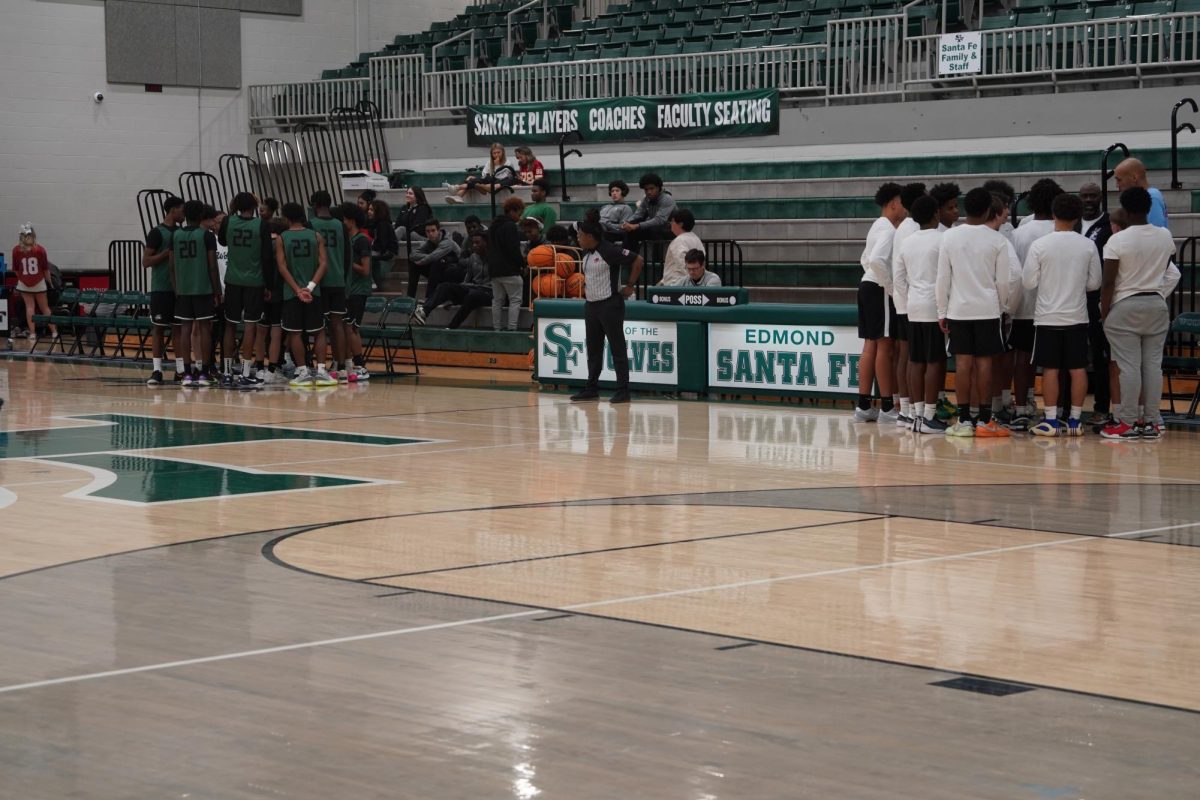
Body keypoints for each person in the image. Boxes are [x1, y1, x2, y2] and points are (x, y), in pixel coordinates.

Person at [935, 187, 1016, 438]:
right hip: (987, 310)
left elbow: (942, 278)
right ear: (988, 210)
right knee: (985, 364)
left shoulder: (949, 237)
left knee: (962, 364)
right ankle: (984, 419)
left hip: (958, 309)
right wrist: (1002, 306)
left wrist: (941, 310)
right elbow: (1005, 281)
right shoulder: (997, 240)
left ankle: (963, 419)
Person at [1022, 193, 1102, 437]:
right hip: (1077, 316)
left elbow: (1028, 282)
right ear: (1078, 216)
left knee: (1051, 370)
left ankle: (1051, 420)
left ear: (1054, 215)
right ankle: (1075, 421)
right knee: (1077, 369)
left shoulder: (1040, 245)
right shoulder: (1087, 244)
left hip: (1048, 317)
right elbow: (1095, 283)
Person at [1100, 187, 1177, 440]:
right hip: (1156, 303)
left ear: (1126, 209)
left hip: (1125, 305)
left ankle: (1128, 422)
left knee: (1129, 366)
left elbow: (1109, 283)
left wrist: (1104, 313)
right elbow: (1165, 269)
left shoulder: (1117, 240)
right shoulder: (1164, 235)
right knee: (1153, 366)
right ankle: (1153, 422)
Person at [1008, 178, 1063, 430]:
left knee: (1023, 358)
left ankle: (1020, 408)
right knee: (1056, 361)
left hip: (1025, 305)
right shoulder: (1062, 231)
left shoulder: (1018, 233)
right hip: (1055, 306)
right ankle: (1057, 409)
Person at [569, 220, 644, 404]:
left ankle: (623, 390)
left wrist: (630, 286)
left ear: (589, 236)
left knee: (617, 348)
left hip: (610, 305)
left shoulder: (609, 250)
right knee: (593, 350)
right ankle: (591, 388)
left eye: (580, 235)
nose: (577, 238)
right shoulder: (586, 252)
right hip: (591, 305)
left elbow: (638, 260)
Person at [894, 196, 948, 434]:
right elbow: (948, 276)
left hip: (913, 307)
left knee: (916, 360)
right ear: (936, 214)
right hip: (936, 307)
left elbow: (898, 279)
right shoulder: (943, 239)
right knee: (935, 360)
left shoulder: (907, 242)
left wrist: (908, 301)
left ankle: (915, 416)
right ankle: (929, 415)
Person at [854, 182, 904, 423]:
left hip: (866, 285)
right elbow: (875, 260)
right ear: (894, 203)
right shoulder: (889, 230)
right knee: (885, 346)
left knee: (870, 346)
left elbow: (865, 259)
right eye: (903, 204)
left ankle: (864, 406)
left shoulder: (876, 226)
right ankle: (886, 407)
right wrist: (891, 287)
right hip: (878, 288)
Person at [217, 192, 273, 388]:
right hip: (254, 282)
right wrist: (269, 285)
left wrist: (231, 213)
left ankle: (226, 372)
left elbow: (222, 242)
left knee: (230, 326)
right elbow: (267, 257)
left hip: (232, 280)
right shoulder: (262, 225)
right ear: (255, 206)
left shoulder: (228, 222)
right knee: (250, 326)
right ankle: (246, 373)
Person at [275, 202, 334, 387]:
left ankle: (302, 371)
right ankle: (322, 371)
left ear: (286, 217)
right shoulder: (316, 236)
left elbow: (282, 267)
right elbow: (324, 264)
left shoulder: (282, 238)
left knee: (294, 333)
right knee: (318, 332)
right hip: (313, 292)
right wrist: (310, 286)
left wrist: (297, 289)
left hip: (292, 293)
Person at [169, 200, 221, 387]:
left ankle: (187, 372)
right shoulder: (206, 236)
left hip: (183, 290)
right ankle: (204, 371)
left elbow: (171, 267)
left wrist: (176, 289)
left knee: (185, 329)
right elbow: (212, 266)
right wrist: (217, 290)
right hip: (203, 288)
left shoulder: (175, 235)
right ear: (200, 215)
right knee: (204, 329)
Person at [890, 182, 926, 426]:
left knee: (905, 355)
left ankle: (905, 408)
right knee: (912, 356)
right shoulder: (914, 228)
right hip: (911, 301)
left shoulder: (903, 226)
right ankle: (911, 408)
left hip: (903, 300)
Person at [1079, 181, 1114, 425]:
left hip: (1098, 297)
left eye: (1093, 196)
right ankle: (1067, 408)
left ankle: (1102, 407)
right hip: (1072, 298)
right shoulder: (1071, 223)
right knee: (1073, 356)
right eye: (1085, 196)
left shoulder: (1109, 225)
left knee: (1101, 356)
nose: (1089, 200)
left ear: (1100, 197)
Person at [143, 197, 185, 385]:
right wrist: (166, 254)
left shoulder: (182, 232)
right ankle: (157, 370)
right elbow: (146, 261)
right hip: (161, 288)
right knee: (158, 329)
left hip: (179, 289)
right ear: (172, 210)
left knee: (178, 330)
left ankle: (180, 370)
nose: (183, 213)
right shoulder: (156, 232)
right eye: (181, 210)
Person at [309, 191, 350, 382]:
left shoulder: (311, 225)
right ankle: (341, 367)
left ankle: (321, 368)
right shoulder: (341, 225)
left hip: (319, 282)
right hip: (338, 281)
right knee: (338, 324)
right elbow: (347, 256)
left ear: (315, 205)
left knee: (319, 327)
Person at [414, 231, 493, 329]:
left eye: (477, 243)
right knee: (445, 286)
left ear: (486, 243)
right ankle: (424, 311)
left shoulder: (495, 258)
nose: (474, 245)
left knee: (472, 295)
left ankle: (452, 327)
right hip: (472, 288)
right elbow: (467, 278)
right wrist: (455, 298)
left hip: (488, 293)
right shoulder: (473, 257)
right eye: (473, 243)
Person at [11, 222, 56, 351]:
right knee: (45, 308)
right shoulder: (40, 249)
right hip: (39, 282)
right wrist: (50, 282)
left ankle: (32, 334)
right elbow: (46, 269)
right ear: (34, 235)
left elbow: (15, 269)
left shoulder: (16, 250)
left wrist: (22, 279)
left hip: (24, 283)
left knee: (29, 307)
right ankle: (54, 332)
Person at [341, 203, 373, 382]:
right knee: (346, 328)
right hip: (348, 289)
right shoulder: (347, 239)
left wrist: (345, 262)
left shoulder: (361, 240)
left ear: (351, 220)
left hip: (358, 290)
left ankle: (360, 365)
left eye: (344, 218)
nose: (342, 221)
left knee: (352, 327)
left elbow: (365, 270)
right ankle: (347, 364)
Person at [257, 213, 289, 385]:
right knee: (276, 330)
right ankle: (272, 369)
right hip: (279, 291)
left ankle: (259, 367)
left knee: (261, 330)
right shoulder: (282, 243)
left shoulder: (262, 242)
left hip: (261, 290)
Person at [489, 196, 526, 331]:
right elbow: (513, 250)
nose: (519, 217)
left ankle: (496, 329)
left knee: (497, 301)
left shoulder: (493, 225)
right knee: (515, 300)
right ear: (512, 211)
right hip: (509, 270)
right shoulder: (510, 226)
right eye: (519, 213)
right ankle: (512, 329)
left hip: (494, 270)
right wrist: (522, 264)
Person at [622, 173, 677, 253]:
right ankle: (630, 258)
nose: (649, 192)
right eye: (646, 189)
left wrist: (636, 226)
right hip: (653, 229)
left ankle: (657, 262)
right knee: (631, 230)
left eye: (651, 188)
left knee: (655, 229)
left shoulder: (667, 199)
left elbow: (659, 220)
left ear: (658, 187)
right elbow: (638, 214)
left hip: (671, 229)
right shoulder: (646, 199)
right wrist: (627, 223)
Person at [445, 142, 516, 203]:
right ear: (491, 154)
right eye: (494, 153)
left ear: (502, 152)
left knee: (476, 180)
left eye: (498, 152)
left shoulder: (508, 163)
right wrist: (493, 166)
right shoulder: (489, 163)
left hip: (500, 183)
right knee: (471, 179)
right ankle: (459, 193)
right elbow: (484, 176)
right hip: (489, 181)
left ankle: (458, 188)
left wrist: (494, 168)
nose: (497, 155)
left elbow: (503, 178)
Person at [408, 219, 461, 300]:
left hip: (452, 272)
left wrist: (423, 260)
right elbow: (412, 255)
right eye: (427, 231)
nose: (430, 234)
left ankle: (429, 298)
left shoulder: (447, 241)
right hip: (437, 271)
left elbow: (433, 257)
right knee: (414, 265)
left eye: (433, 230)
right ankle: (410, 298)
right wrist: (429, 256)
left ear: (438, 230)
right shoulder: (429, 242)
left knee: (436, 261)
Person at [1114, 158, 1169, 229]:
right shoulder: (1150, 195)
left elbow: (1155, 232)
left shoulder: (1152, 197)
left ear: (1134, 178)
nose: (1117, 185)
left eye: (1119, 180)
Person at [659, 208, 704, 286]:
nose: (671, 224)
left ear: (680, 224)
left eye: (672, 221)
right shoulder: (696, 239)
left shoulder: (678, 241)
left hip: (676, 286)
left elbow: (683, 266)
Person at [367, 199, 397, 291]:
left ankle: (371, 282)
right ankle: (375, 283)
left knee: (365, 257)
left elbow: (382, 245)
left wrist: (370, 248)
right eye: (369, 209)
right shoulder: (376, 224)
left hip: (387, 252)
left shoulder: (383, 224)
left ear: (378, 212)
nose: (369, 212)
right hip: (381, 251)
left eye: (371, 210)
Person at [393, 186, 433, 254]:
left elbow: (417, 228)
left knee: (402, 229)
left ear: (417, 196)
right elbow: (397, 224)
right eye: (407, 193)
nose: (407, 195)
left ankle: (388, 248)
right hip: (407, 234)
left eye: (410, 193)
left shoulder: (423, 208)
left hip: (420, 236)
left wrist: (405, 228)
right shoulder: (404, 208)